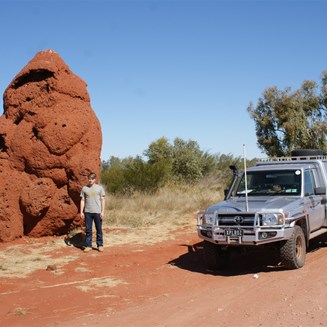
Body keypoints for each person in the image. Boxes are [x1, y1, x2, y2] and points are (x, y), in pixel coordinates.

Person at [80, 172, 106, 253]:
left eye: (92, 179)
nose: (90, 180)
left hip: (97, 212)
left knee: (99, 229)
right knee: (88, 229)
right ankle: (88, 246)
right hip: (88, 212)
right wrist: (81, 212)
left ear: (95, 179)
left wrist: (102, 212)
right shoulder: (84, 188)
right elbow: (82, 200)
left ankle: (100, 245)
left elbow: (103, 200)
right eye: (89, 179)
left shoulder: (99, 188)